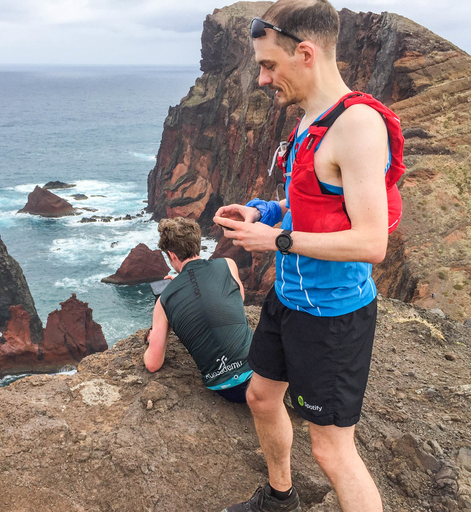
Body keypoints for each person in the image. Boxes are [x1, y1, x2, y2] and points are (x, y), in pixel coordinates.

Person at [213, 1, 405, 511]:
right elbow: (309, 201)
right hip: (289, 299)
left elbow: (371, 243)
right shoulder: (309, 119)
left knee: (333, 451)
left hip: (333, 316)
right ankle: (280, 499)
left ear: (305, 53)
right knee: (259, 396)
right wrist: (264, 213)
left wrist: (276, 243)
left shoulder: (358, 126)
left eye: (268, 65)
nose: (261, 79)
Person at [143, 217, 253, 403]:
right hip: (260, 373)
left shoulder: (164, 300)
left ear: (172, 255)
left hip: (228, 390)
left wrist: (158, 331)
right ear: (197, 244)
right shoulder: (227, 264)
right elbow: (238, 299)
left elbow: (153, 364)